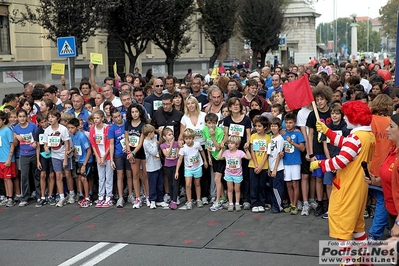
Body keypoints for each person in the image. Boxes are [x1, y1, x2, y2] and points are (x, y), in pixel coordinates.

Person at [310, 100, 376, 264]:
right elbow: (346, 144)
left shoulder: (356, 137)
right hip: (359, 187)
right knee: (357, 227)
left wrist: (320, 164)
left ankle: (348, 261)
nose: (345, 118)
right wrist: (327, 131)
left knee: (342, 228)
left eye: (347, 115)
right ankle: (365, 259)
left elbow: (340, 161)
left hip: (347, 188)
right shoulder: (368, 135)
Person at [223, 97, 252, 210]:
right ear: (229, 107)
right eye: (233, 105)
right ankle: (233, 201)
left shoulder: (246, 119)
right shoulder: (227, 120)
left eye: (237, 104)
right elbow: (226, 135)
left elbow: (248, 134)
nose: (235, 106)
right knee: (231, 174)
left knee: (244, 175)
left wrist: (247, 144)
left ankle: (245, 200)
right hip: (231, 150)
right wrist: (222, 143)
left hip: (242, 150)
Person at [43, 109, 73, 207]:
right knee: (58, 176)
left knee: (68, 174)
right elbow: (45, 143)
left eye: (52, 117)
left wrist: (65, 158)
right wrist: (46, 148)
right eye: (49, 117)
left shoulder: (63, 129)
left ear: (58, 118)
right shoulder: (47, 130)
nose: (50, 119)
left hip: (64, 154)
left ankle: (71, 194)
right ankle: (61, 197)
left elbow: (67, 144)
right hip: (55, 155)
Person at [175, 128, 208, 210]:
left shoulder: (197, 144)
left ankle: (198, 199)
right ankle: (189, 201)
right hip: (188, 168)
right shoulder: (183, 148)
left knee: (197, 183)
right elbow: (180, 159)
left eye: (190, 138)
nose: (188, 141)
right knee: (188, 184)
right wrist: (176, 171)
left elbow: (202, 151)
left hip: (197, 166)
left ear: (193, 138)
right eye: (186, 139)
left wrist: (205, 161)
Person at [217, 135, 251, 212]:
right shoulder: (226, 152)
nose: (229, 145)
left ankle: (237, 203)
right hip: (228, 174)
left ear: (237, 145)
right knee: (230, 189)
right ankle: (231, 203)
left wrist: (246, 150)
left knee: (237, 189)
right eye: (228, 143)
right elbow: (219, 157)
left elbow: (249, 157)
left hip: (237, 174)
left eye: (232, 143)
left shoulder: (240, 152)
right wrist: (222, 149)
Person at [125, 103, 149, 209]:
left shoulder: (143, 124)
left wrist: (133, 153)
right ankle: (138, 197)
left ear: (140, 112)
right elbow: (126, 138)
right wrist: (129, 152)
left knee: (144, 175)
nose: (134, 114)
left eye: (136, 112)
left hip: (142, 151)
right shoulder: (128, 123)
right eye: (132, 112)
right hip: (132, 152)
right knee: (135, 175)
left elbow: (141, 141)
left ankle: (148, 196)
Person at [13, 109, 39, 206]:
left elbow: (37, 140)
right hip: (23, 155)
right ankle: (25, 197)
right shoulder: (15, 129)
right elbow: (15, 144)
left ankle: (39, 195)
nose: (22, 118)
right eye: (20, 117)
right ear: (17, 118)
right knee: (24, 176)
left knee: (36, 174)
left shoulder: (33, 126)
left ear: (27, 116)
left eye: (24, 116)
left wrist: (35, 144)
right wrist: (16, 137)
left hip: (33, 153)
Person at [282, 113, 306, 215]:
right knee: (288, 184)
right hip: (285, 162)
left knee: (295, 184)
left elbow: (302, 148)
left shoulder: (298, 134)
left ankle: (295, 204)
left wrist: (292, 142)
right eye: (286, 123)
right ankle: (292, 204)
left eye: (290, 122)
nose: (288, 125)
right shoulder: (282, 134)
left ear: (295, 123)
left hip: (295, 162)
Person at [89, 110, 113, 208]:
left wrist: (104, 157)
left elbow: (109, 144)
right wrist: (98, 157)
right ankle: (101, 196)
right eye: (94, 118)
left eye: (98, 118)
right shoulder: (92, 129)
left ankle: (109, 196)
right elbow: (93, 144)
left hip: (107, 156)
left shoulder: (108, 128)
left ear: (103, 118)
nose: (95, 120)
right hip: (99, 156)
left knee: (109, 177)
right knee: (101, 177)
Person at [68, 118, 93, 208]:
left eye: (72, 128)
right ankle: (85, 196)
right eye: (69, 128)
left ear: (77, 127)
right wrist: (71, 150)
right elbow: (76, 146)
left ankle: (87, 198)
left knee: (84, 179)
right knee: (81, 178)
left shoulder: (82, 137)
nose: (70, 130)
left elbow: (89, 150)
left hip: (87, 161)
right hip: (80, 160)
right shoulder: (73, 135)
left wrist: (85, 164)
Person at [141, 124, 168, 209]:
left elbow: (160, 142)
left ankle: (160, 199)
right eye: (152, 132)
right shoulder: (146, 142)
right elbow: (153, 152)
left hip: (158, 165)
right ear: (149, 134)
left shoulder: (154, 139)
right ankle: (152, 200)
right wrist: (155, 144)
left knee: (160, 184)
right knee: (152, 185)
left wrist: (159, 134)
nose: (154, 134)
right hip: (151, 168)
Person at [203, 113, 226, 212]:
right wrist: (209, 156)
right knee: (217, 179)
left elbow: (217, 147)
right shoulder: (204, 130)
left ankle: (217, 201)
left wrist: (212, 136)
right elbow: (207, 143)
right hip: (213, 156)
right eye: (209, 123)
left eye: (213, 123)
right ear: (206, 123)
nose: (211, 125)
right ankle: (223, 198)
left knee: (217, 179)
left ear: (216, 123)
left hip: (220, 157)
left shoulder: (220, 131)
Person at [108, 108, 131, 208]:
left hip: (128, 153)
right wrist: (112, 159)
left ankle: (130, 194)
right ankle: (120, 197)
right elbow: (111, 144)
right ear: (112, 118)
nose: (118, 118)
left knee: (130, 175)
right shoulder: (112, 128)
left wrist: (129, 147)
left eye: (119, 116)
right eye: (115, 117)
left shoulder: (127, 123)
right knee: (120, 175)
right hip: (118, 154)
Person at [249, 116, 271, 213]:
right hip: (253, 165)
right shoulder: (253, 136)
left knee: (262, 185)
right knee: (254, 185)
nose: (257, 128)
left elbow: (267, 153)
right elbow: (252, 150)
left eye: (259, 126)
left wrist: (261, 165)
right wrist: (256, 164)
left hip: (264, 165)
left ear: (265, 127)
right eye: (256, 126)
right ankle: (254, 203)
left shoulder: (268, 138)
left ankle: (261, 203)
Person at [34, 114, 54, 207]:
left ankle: (50, 195)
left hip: (53, 153)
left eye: (45, 121)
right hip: (42, 154)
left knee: (51, 175)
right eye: (41, 122)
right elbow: (37, 147)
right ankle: (42, 197)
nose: (44, 123)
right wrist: (38, 160)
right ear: (39, 123)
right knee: (42, 174)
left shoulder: (52, 129)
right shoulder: (38, 131)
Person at [160, 127, 180, 210]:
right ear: (164, 137)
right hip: (168, 166)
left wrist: (177, 146)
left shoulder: (176, 143)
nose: (171, 136)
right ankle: (172, 198)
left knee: (175, 183)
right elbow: (167, 155)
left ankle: (175, 200)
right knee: (170, 183)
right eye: (169, 135)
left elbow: (178, 154)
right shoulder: (163, 145)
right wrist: (171, 145)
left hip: (175, 165)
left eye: (172, 134)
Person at [268, 117, 285, 213]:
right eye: (272, 126)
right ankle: (274, 204)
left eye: (275, 126)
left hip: (278, 168)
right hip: (271, 166)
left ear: (279, 127)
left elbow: (279, 155)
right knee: (271, 187)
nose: (273, 128)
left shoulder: (280, 139)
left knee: (277, 188)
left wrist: (274, 169)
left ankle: (278, 206)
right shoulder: (271, 138)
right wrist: (269, 169)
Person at [0, 111, 16, 207]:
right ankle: (7, 196)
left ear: (3, 120)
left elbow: (12, 145)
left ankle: (10, 197)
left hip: (7, 158)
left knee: (8, 178)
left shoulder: (7, 130)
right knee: (4, 179)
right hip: (0, 159)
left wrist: (9, 158)